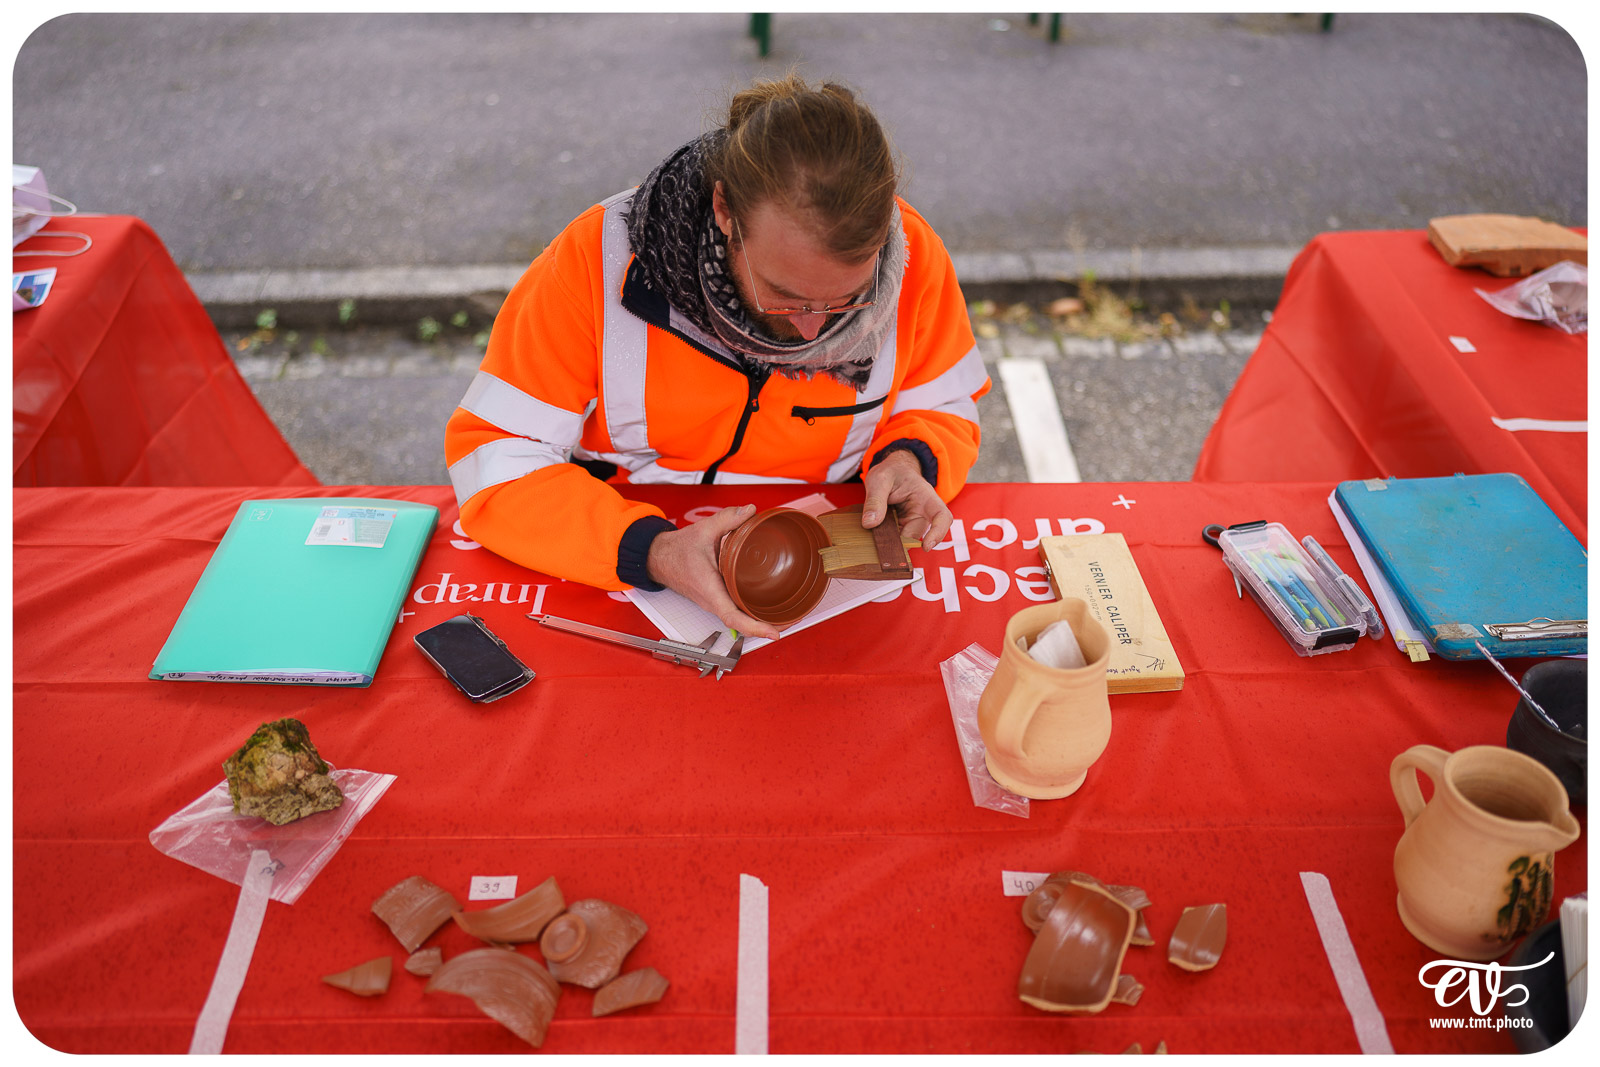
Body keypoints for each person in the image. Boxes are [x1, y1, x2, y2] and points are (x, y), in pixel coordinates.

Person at [445, 74, 988, 640]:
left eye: (850, 301)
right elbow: (496, 459)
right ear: (725, 210)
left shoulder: (915, 259)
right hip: (614, 555)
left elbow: (946, 400)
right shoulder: (595, 261)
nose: (811, 330)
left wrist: (910, 459)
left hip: (832, 575)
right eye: (786, 294)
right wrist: (648, 551)